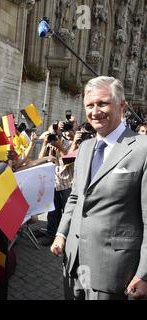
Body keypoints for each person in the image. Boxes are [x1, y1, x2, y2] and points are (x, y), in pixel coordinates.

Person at [50, 76, 147, 300]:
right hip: (74, 263)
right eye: (90, 106)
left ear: (122, 105)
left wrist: (144, 273)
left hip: (115, 271)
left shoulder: (142, 148)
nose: (95, 111)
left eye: (103, 103)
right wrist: (61, 233)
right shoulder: (85, 147)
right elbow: (76, 197)